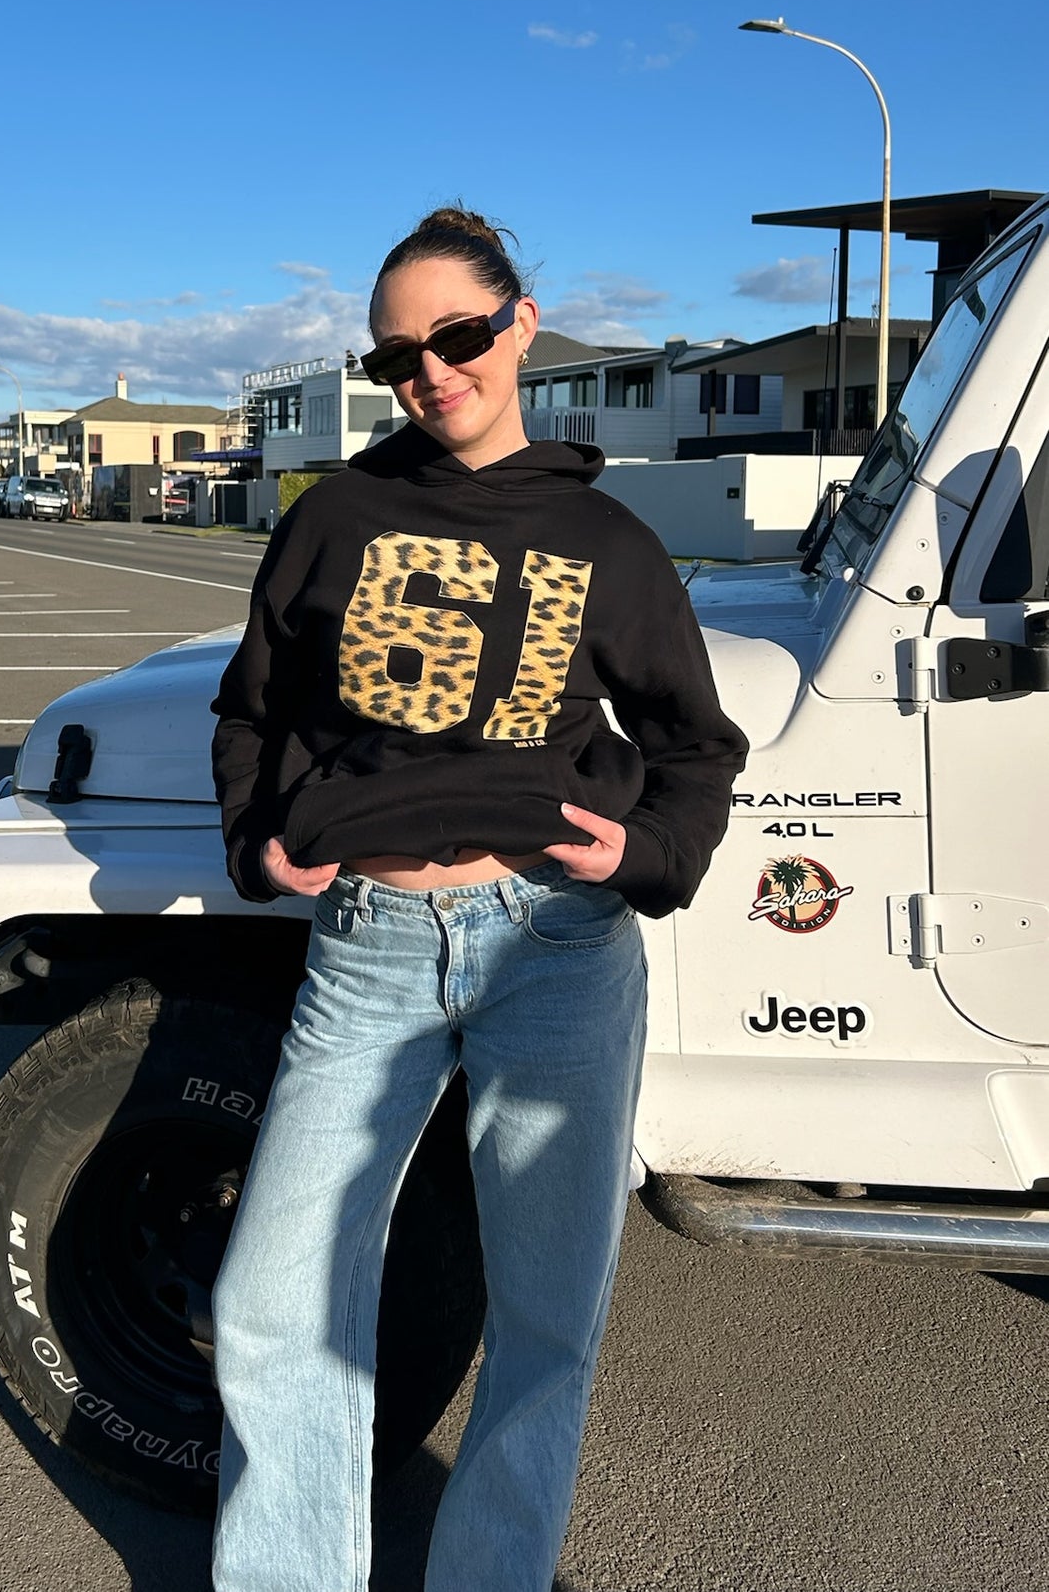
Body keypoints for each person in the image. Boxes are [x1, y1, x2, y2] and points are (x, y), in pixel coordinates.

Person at [209, 206, 748, 1592]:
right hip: (367, 948)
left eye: (455, 337)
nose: (430, 374)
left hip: (552, 947)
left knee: (544, 1321)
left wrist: (634, 860)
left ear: (516, 327)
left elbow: (695, 746)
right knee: (272, 1310)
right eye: (398, 356)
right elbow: (254, 710)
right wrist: (260, 836)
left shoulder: (604, 541)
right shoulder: (336, 516)